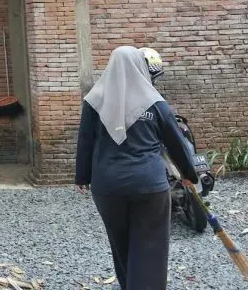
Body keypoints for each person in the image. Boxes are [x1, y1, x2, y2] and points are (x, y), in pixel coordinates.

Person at [75, 46, 199, 290]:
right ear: (141, 67)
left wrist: (82, 177)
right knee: (150, 247)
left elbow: (85, 140)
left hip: (107, 187)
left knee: (121, 246)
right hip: (149, 186)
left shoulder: (94, 102)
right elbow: (177, 144)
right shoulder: (155, 103)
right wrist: (189, 175)